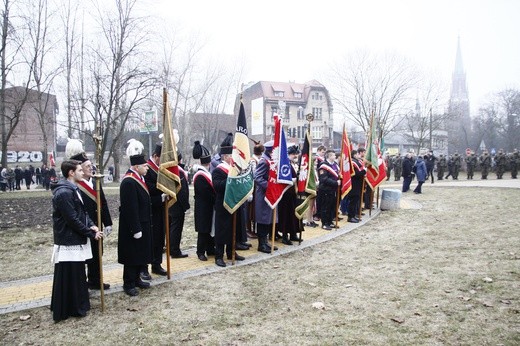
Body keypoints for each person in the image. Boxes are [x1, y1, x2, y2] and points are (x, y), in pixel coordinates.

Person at [50, 160, 102, 322]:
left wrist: (92, 225)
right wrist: (90, 233)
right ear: (71, 173)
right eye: (80, 170)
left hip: (74, 239)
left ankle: (78, 305)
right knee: (70, 274)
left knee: (77, 274)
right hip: (68, 240)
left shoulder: (73, 189)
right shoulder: (64, 192)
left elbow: (82, 213)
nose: (82, 172)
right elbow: (71, 219)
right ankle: (70, 307)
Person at [67, 145, 113, 290]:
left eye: (90, 165)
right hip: (84, 224)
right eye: (87, 166)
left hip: (97, 223)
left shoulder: (95, 181)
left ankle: (95, 280)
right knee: (85, 255)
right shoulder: (77, 185)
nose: (91, 168)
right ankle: (83, 283)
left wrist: (108, 222)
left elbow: (103, 203)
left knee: (97, 253)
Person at [118, 142, 152, 297]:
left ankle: (137, 278)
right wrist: (136, 228)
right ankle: (128, 283)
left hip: (142, 223)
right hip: (133, 226)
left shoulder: (139, 178)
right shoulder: (129, 181)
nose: (147, 168)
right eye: (145, 166)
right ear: (137, 166)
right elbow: (130, 208)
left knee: (140, 253)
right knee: (132, 255)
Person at [213, 133, 246, 266]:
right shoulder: (218, 170)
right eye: (231, 156)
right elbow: (217, 186)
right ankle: (219, 256)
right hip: (222, 205)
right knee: (222, 231)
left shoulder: (234, 170)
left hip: (234, 203)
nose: (233, 158)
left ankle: (231, 252)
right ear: (225, 157)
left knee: (234, 228)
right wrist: (230, 180)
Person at [143, 143, 168, 278]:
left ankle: (157, 264)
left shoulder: (161, 168)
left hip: (160, 209)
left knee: (159, 237)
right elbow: (148, 187)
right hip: (151, 208)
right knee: (150, 239)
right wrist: (162, 189)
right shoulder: (147, 168)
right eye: (160, 158)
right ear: (155, 156)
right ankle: (145, 267)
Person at [192, 141, 216, 261]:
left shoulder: (205, 174)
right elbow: (206, 192)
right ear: (209, 163)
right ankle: (200, 251)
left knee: (210, 228)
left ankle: (210, 248)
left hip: (208, 206)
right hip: (203, 207)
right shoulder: (200, 175)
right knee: (203, 230)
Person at [277, 145, 300, 243]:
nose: (295, 156)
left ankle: (293, 233)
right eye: (293, 154)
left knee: (293, 215)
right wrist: (291, 180)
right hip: (285, 193)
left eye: (295, 154)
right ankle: (285, 235)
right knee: (285, 215)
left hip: (293, 193)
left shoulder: (293, 164)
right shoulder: (284, 164)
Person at [168, 152, 190, 259]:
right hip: (177, 205)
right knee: (176, 228)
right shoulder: (178, 172)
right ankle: (174, 250)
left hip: (172, 204)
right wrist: (185, 205)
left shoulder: (172, 169)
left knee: (173, 227)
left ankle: (171, 248)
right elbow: (182, 191)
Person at [318, 149, 340, 230]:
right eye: (334, 155)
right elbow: (324, 179)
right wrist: (335, 183)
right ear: (330, 156)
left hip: (333, 190)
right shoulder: (323, 166)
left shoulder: (335, 164)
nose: (335, 156)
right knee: (325, 207)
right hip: (325, 190)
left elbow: (338, 174)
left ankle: (330, 222)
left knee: (332, 207)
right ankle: (324, 223)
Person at [346, 150, 366, 223]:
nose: (359, 155)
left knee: (356, 201)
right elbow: (356, 174)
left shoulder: (357, 161)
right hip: (354, 185)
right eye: (357, 154)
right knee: (353, 201)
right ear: (354, 155)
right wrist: (364, 171)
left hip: (358, 184)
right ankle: (350, 217)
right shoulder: (353, 163)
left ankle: (354, 215)